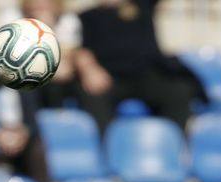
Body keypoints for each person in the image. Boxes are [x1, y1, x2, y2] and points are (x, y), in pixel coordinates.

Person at [75, 0, 204, 131]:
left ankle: (177, 145)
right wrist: (89, 69)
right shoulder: (87, 16)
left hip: (146, 74)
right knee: (93, 96)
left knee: (178, 92)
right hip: (109, 76)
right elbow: (80, 49)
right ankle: (105, 148)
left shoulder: (142, 5)